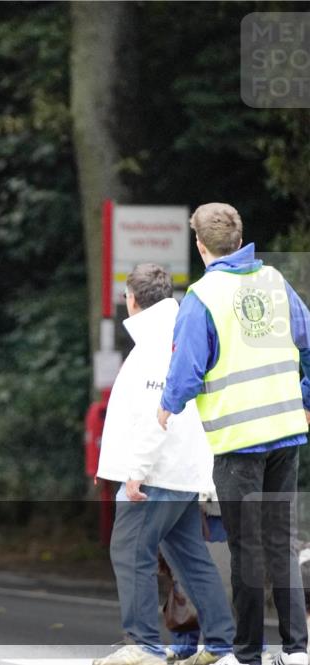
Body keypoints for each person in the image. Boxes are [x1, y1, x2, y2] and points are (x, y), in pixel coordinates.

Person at [157, 203, 310, 665]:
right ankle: (297, 649)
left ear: (200, 246)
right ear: (240, 240)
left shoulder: (202, 297)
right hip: (286, 433)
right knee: (281, 541)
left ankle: (246, 654)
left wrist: (167, 406)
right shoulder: (276, 282)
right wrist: (305, 398)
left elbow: (186, 372)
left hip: (239, 442)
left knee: (246, 547)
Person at [94, 265, 236, 665]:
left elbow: (158, 416)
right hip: (183, 471)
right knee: (191, 559)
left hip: (156, 473)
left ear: (131, 299)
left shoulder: (154, 344)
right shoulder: (178, 333)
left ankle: (143, 644)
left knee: (130, 551)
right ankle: (221, 644)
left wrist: (136, 471)